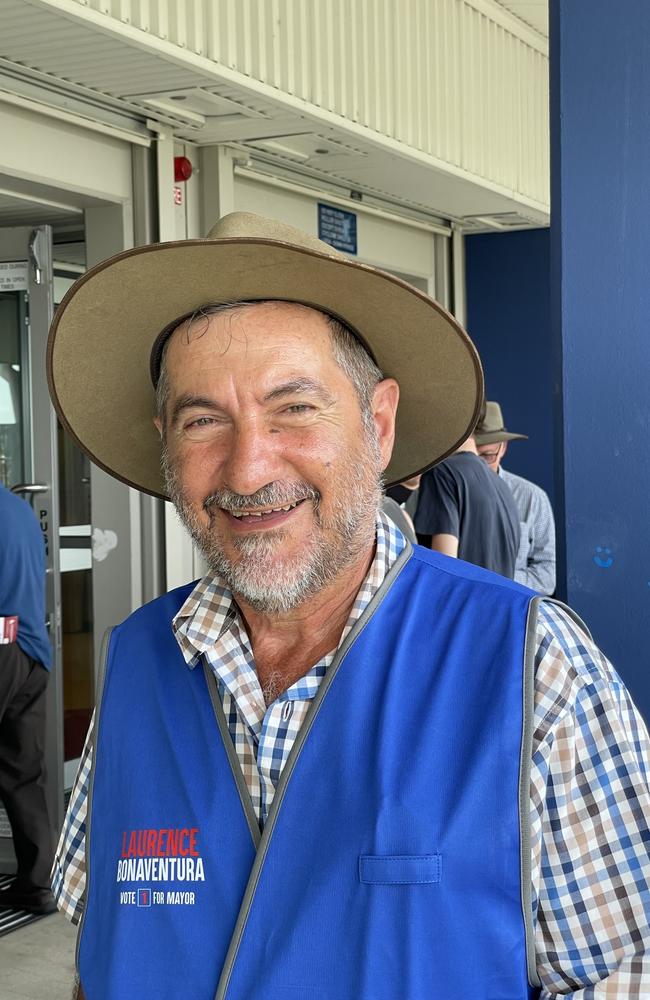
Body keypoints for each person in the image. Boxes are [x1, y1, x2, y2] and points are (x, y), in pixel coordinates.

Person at [47, 213, 650, 998]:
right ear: (167, 444)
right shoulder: (135, 659)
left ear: (380, 423)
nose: (250, 466)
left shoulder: (533, 666)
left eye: (295, 408)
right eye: (203, 421)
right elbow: (103, 952)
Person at [0, 485, 55, 915]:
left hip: (1, 647)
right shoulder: (17, 510)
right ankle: (37, 885)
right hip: (32, 649)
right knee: (21, 773)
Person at [475, 400, 556, 595]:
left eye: (487, 456)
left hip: (512, 609)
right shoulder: (443, 494)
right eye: (471, 456)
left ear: (503, 448)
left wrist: (497, 578)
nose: (477, 466)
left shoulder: (533, 498)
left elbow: (547, 575)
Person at [414, 434, 520, 577]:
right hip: (498, 599)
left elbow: (443, 567)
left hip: (459, 598)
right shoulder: (503, 487)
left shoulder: (442, 473)